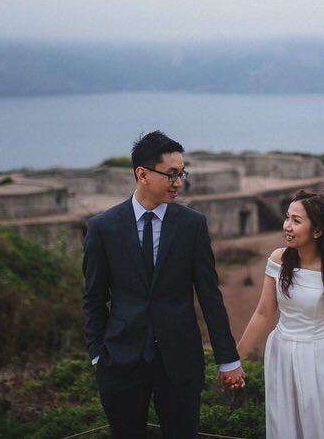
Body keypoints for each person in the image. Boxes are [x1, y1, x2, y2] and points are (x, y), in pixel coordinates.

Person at [82, 130, 245, 438]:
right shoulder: (102, 228)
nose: (179, 182)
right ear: (142, 174)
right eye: (171, 174)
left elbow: (210, 296)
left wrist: (228, 359)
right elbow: (93, 298)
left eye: (181, 173)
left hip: (181, 362)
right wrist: (98, 354)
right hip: (120, 362)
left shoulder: (192, 225)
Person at [236, 190, 324, 438]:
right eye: (287, 218)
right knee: (285, 425)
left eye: (296, 221)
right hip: (281, 353)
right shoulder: (278, 259)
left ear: (317, 231)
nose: (287, 227)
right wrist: (234, 359)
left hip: (322, 357)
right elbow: (263, 313)